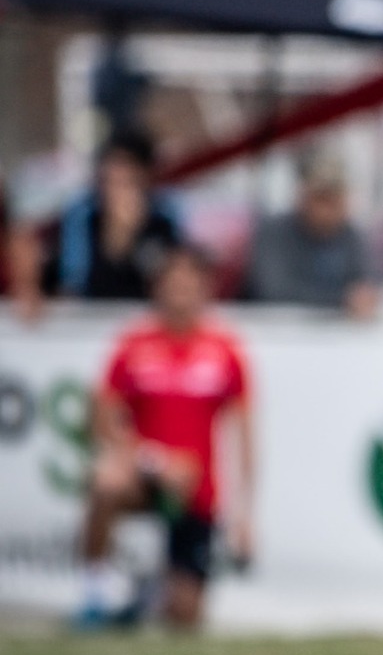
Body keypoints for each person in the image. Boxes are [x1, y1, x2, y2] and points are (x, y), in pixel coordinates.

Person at [81, 242, 254, 630]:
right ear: (157, 288)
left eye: (190, 284)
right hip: (147, 478)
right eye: (173, 283)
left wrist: (245, 513)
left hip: (198, 491)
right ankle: (93, 594)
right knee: (105, 482)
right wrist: (153, 461)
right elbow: (100, 418)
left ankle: (148, 593)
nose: (181, 292)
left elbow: (244, 435)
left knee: (185, 617)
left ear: (206, 289)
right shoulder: (134, 344)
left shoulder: (224, 350)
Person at [38, 133, 182, 304]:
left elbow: (171, 280)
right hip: (91, 318)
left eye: (127, 178)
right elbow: (74, 283)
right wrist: (117, 236)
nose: (116, 185)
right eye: (110, 177)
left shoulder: (163, 215)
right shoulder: (82, 215)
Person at [244, 153, 375, 315]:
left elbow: (372, 282)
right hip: (276, 332)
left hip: (339, 335)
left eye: (335, 199)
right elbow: (274, 291)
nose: (328, 209)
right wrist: (342, 300)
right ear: (302, 197)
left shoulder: (352, 236)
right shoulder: (274, 232)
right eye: (321, 199)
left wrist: (365, 297)